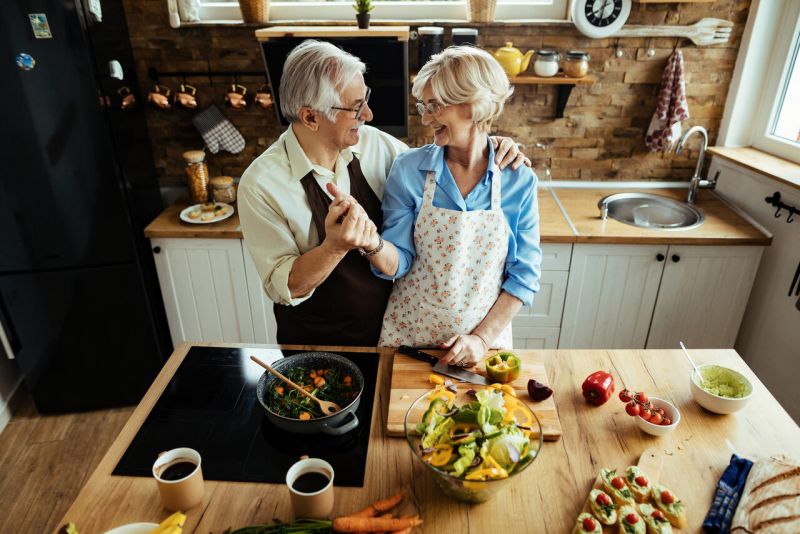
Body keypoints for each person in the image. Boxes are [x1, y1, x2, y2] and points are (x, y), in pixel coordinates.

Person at [238, 40, 529, 346]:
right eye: (354, 107)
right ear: (311, 117)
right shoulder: (261, 185)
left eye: (365, 99)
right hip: (319, 344)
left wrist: (488, 142)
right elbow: (286, 286)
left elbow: (445, 159)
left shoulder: (379, 147)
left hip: (395, 334)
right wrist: (334, 247)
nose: (369, 114)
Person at [365, 46, 542, 366]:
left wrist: (480, 339)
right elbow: (399, 261)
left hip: (484, 350)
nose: (425, 117)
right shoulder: (408, 170)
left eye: (434, 106)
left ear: (474, 105)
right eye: (425, 105)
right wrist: (370, 244)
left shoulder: (518, 181)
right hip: (410, 341)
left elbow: (524, 277)